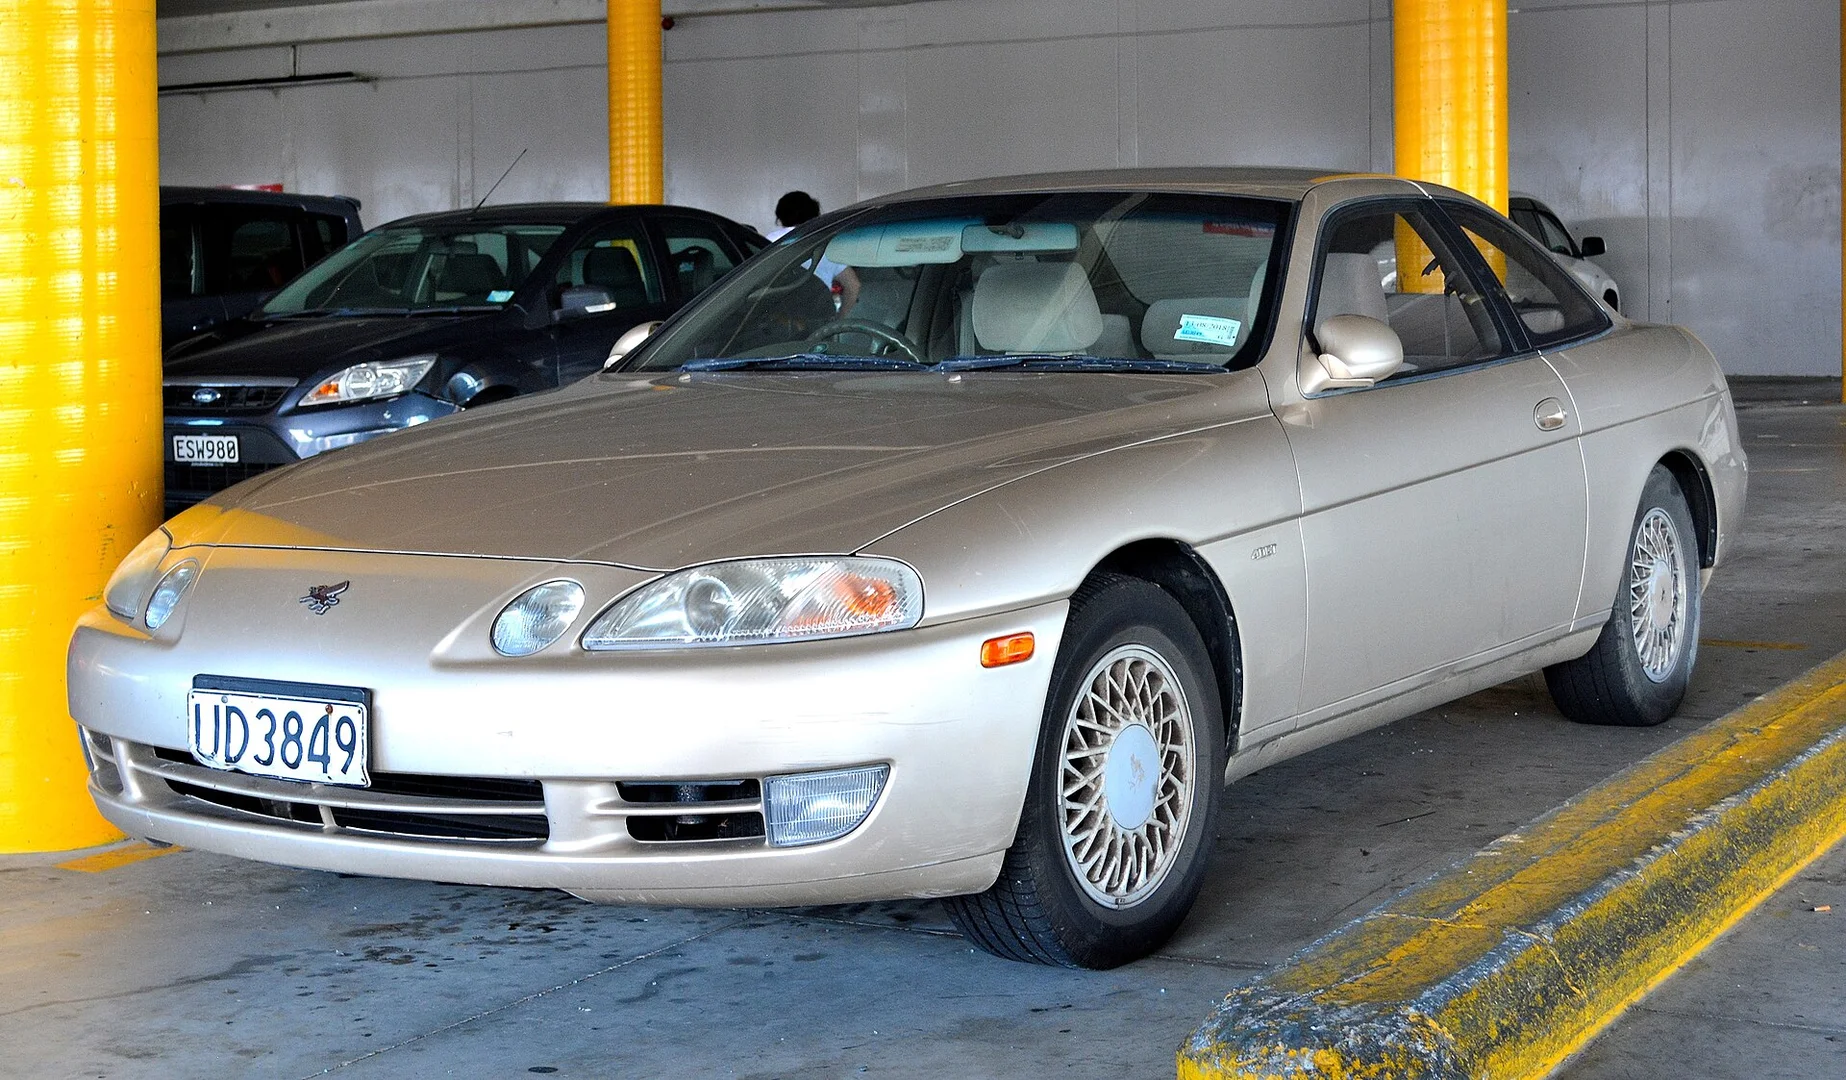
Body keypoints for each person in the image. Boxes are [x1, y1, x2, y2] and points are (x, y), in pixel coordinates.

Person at [766, 190, 859, 317]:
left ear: (780, 216)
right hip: (819, 317)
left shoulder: (771, 242)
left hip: (781, 318)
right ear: (815, 215)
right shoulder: (827, 243)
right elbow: (853, 285)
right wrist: (840, 317)